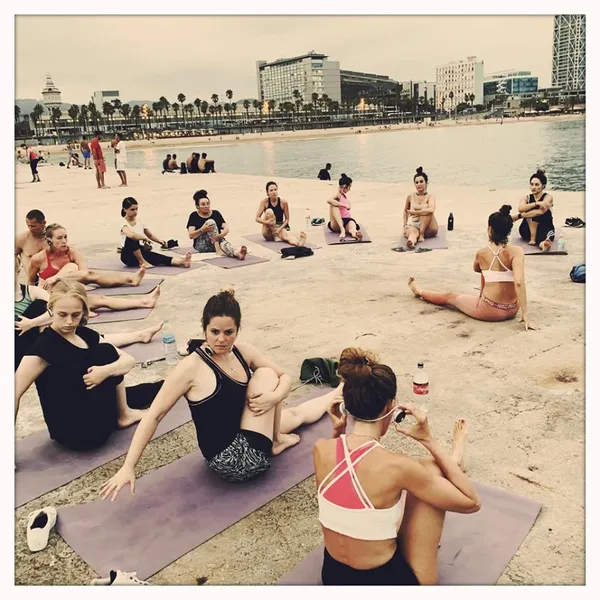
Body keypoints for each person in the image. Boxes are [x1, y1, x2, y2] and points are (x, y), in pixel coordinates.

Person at [100, 289, 338, 499]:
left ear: (238, 329)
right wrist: (128, 466)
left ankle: (340, 392)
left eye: (229, 332)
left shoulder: (243, 351)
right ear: (204, 328)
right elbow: (154, 415)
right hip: (233, 459)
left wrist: (274, 398)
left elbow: (285, 377)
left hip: (245, 430)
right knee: (265, 375)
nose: (221, 339)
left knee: (293, 413)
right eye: (214, 331)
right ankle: (275, 441)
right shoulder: (190, 368)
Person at [314, 347, 480, 585]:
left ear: (346, 407)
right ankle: (454, 459)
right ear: (389, 407)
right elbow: (471, 502)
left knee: (416, 478)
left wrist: (338, 431)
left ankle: (454, 459)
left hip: (333, 577)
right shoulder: (398, 466)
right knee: (430, 473)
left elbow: (342, 477)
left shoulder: (321, 448)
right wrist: (427, 439)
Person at [15, 281, 162, 451]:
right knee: (106, 352)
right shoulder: (42, 348)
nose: (69, 322)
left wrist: (105, 371)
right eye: (62, 314)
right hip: (80, 433)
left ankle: (156, 393)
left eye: (75, 315)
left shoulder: (84, 334)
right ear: (50, 311)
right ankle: (125, 415)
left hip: (89, 405)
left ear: (84, 312)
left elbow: (128, 361)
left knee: (148, 389)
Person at [15, 255, 164, 370]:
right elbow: (54, 310)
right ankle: (140, 327)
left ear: (18, 268)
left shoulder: (31, 291)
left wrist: (31, 323)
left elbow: (55, 307)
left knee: (86, 316)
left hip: (43, 333)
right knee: (76, 330)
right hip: (21, 345)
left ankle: (141, 320)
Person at [408, 205, 537, 330]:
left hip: (490, 310)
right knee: (488, 272)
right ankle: (482, 297)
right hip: (513, 309)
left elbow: (476, 268)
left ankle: (419, 291)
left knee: (450, 297)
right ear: (508, 231)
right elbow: (519, 282)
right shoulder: (517, 251)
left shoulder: (482, 253)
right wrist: (525, 313)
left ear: (489, 229)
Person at [29, 223, 147, 289]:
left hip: (72, 285)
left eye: (65, 237)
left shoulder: (72, 252)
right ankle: (131, 280)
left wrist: (57, 277)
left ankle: (131, 279)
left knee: (89, 274)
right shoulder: (38, 259)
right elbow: (30, 282)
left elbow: (84, 273)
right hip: (52, 290)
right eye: (59, 238)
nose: (64, 241)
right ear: (49, 241)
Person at [120, 197, 191, 269]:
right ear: (125, 209)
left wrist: (160, 242)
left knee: (158, 258)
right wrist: (143, 237)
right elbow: (130, 235)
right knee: (132, 239)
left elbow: (149, 235)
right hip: (128, 255)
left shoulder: (139, 220)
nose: (135, 212)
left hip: (140, 251)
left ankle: (182, 262)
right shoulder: (122, 222)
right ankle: (142, 262)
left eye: (136, 209)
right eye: (132, 210)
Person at [186, 190, 247, 260]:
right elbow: (191, 235)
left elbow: (226, 228)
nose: (206, 206)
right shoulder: (194, 216)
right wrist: (202, 229)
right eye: (203, 204)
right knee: (210, 222)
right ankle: (218, 250)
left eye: (208, 204)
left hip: (217, 240)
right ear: (197, 206)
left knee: (225, 244)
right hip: (202, 245)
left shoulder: (216, 213)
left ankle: (238, 254)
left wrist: (220, 236)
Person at [255, 181, 307, 246]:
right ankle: (275, 236)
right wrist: (267, 222)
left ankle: (299, 243)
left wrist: (279, 229)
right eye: (271, 190)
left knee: (287, 237)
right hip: (267, 231)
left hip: (278, 228)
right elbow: (257, 218)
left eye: (275, 189)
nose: (274, 192)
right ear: (267, 193)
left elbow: (287, 219)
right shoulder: (264, 202)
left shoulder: (283, 202)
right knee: (269, 211)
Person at [516, 168, 555, 252]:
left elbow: (540, 211)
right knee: (532, 212)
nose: (533, 187)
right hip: (526, 230)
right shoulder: (526, 197)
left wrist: (520, 216)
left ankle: (544, 245)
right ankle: (532, 238)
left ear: (543, 186)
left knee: (544, 237)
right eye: (532, 184)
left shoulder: (548, 197)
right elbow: (520, 208)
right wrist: (536, 203)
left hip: (544, 228)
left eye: (537, 185)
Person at [403, 166, 438, 249]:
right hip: (415, 225)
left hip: (429, 227)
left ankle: (421, 234)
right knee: (413, 233)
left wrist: (415, 212)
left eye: (421, 181)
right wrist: (404, 224)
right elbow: (405, 211)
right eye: (417, 182)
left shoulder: (430, 196)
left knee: (426, 208)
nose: (419, 184)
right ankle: (411, 242)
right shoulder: (410, 196)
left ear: (426, 183)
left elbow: (431, 209)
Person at [327, 174, 363, 242]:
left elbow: (349, 207)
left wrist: (346, 205)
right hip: (337, 223)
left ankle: (355, 233)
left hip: (347, 220)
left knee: (352, 225)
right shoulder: (337, 194)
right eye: (349, 187)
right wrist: (344, 205)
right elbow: (329, 200)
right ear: (345, 186)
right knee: (333, 204)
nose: (349, 189)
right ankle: (342, 229)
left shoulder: (345, 197)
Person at [16, 209, 47, 284]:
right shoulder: (22, 239)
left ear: (43, 223)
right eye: (28, 226)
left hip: (49, 279)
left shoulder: (53, 237)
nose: (30, 228)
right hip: (32, 280)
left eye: (33, 226)